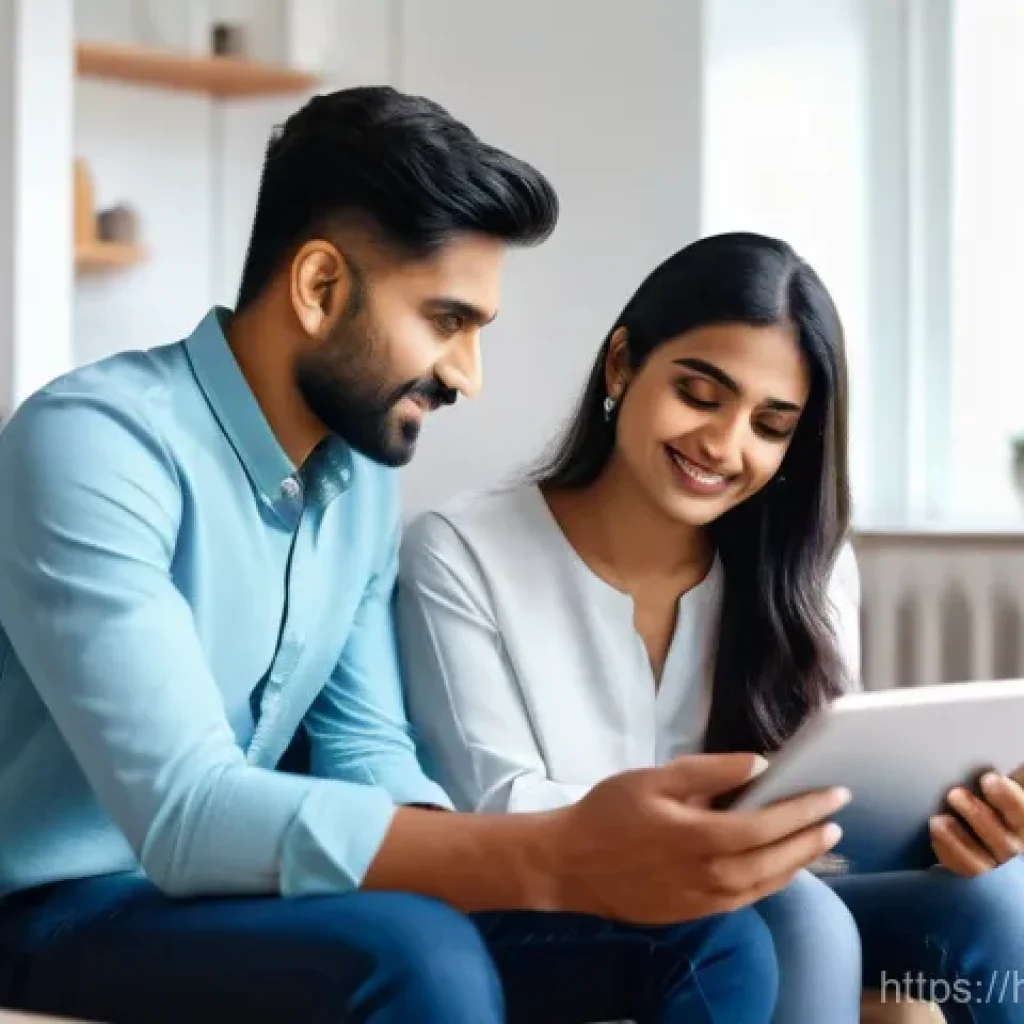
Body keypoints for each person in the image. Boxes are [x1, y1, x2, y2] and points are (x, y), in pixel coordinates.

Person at [0, 89, 850, 1024]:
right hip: (60, 904)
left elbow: (369, 750)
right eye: (448, 322)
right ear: (321, 289)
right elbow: (183, 812)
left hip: (243, 893)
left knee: (704, 934)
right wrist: (554, 854)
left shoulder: (358, 480)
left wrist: (528, 869)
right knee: (418, 952)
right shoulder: (92, 444)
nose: (466, 375)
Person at [397, 231, 1024, 1024]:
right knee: (804, 920)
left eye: (771, 424)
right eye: (700, 394)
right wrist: (732, 830)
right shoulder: (459, 551)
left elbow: (835, 816)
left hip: (773, 893)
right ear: (622, 364)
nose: (725, 445)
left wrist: (950, 830)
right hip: (554, 912)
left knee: (999, 900)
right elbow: (497, 804)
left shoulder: (808, 566)